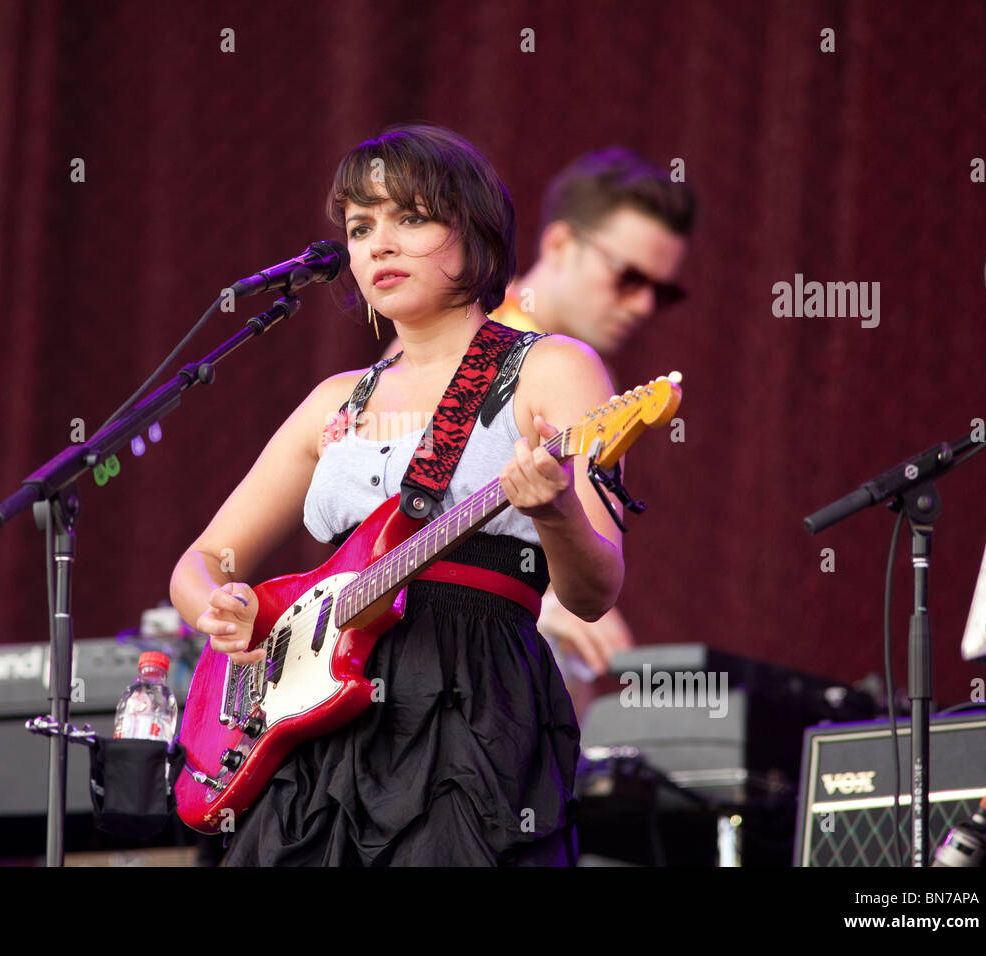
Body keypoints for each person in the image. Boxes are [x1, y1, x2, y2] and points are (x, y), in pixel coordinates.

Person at [169, 124, 624, 866]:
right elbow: (200, 563)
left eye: (409, 217)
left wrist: (554, 508)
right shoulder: (333, 401)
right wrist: (221, 614)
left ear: (472, 231)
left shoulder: (551, 369)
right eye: (359, 227)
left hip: (468, 704)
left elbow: (597, 588)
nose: (377, 244)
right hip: (309, 731)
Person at [382, 148, 694, 719]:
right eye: (628, 277)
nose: (644, 305)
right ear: (558, 246)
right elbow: (381, 534)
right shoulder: (451, 342)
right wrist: (531, 597)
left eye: (662, 291)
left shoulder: (584, 377)